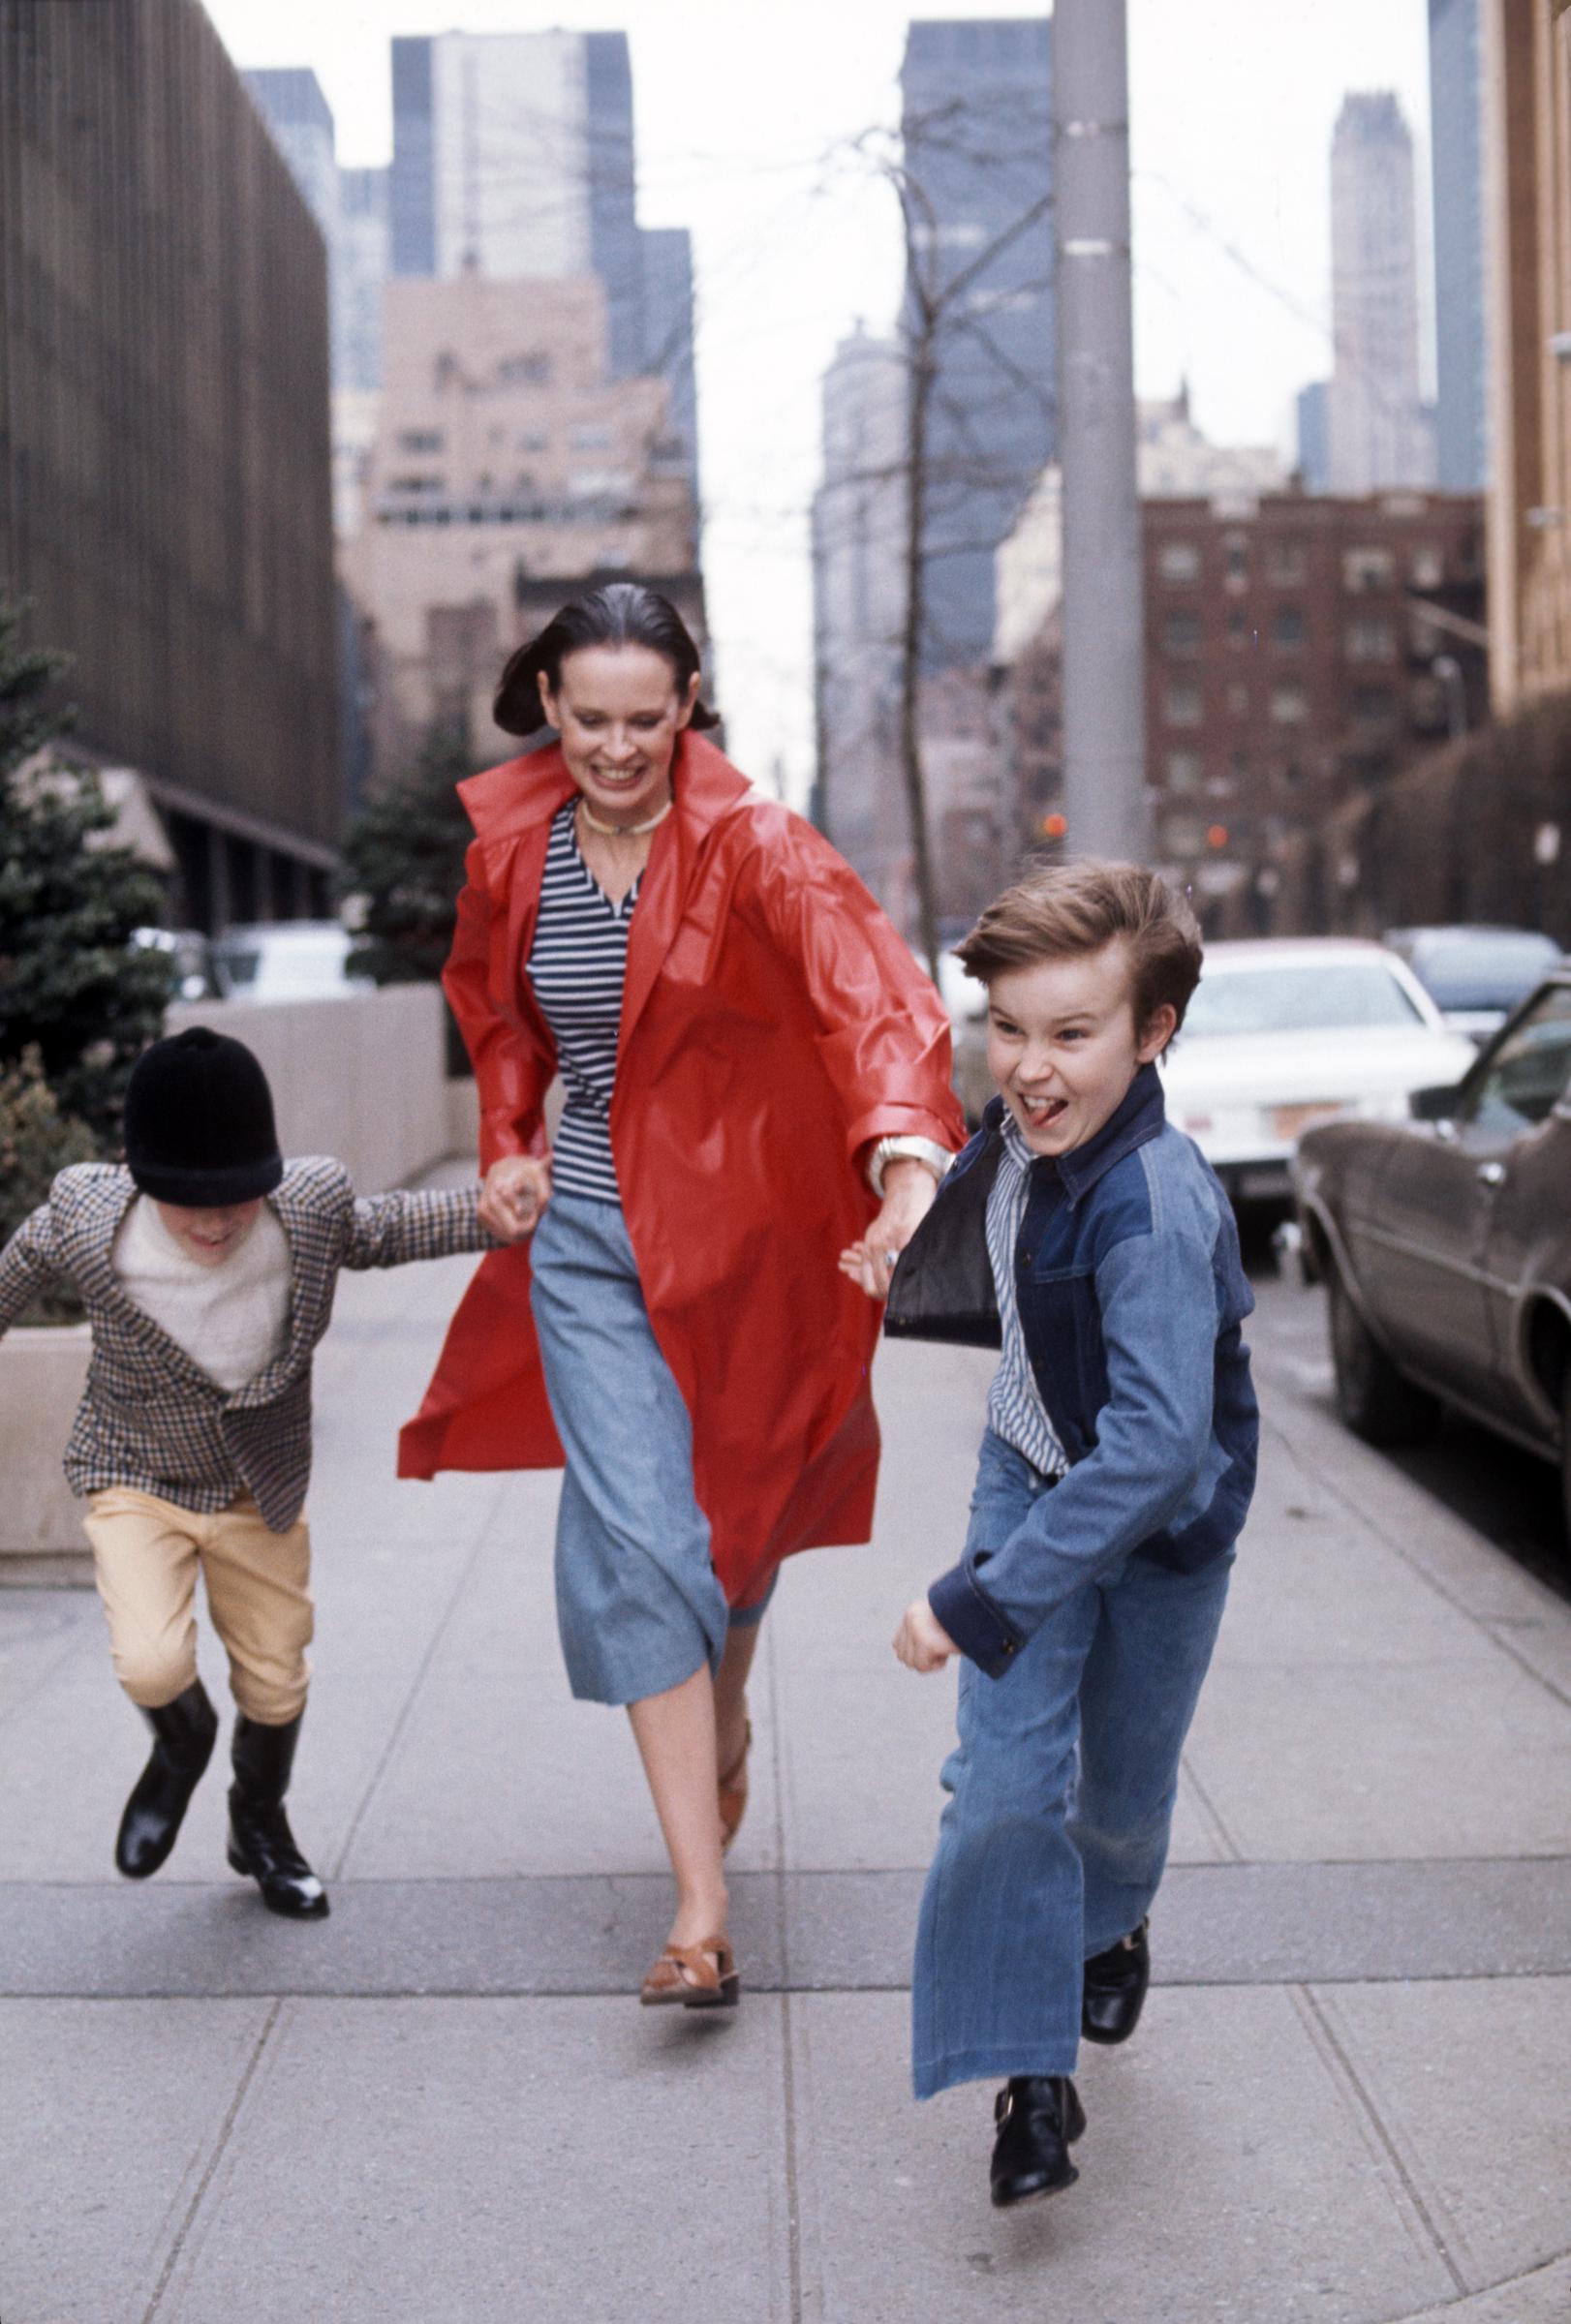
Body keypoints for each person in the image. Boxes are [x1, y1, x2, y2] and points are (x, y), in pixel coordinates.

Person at [400, 581, 964, 2009]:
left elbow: (871, 994)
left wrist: (902, 1161)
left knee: (740, 1529)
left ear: (690, 704)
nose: (615, 747)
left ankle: (719, 1709)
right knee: (640, 1533)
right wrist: (512, 1146)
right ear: (546, 704)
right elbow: (498, 1015)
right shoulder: (512, 855)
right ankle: (699, 1911)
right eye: (588, 719)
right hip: (589, 1239)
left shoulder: (756, 847)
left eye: (645, 719)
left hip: (747, 1241)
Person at [879, 861, 1258, 2208]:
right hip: (1029, 1470)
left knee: (1119, 1805)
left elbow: (1155, 1455)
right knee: (999, 1789)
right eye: (1009, 1028)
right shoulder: (1039, 1130)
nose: (1030, 1068)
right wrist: (901, 1223)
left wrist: (975, 1602)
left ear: (1152, 1034)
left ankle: (1111, 1919)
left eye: (1071, 1035)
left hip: (1157, 1532)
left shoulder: (1152, 1203)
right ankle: (1029, 2082)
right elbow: (981, 1175)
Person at [0, 1026, 507, 1918]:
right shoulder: (86, 1221)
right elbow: (12, 1273)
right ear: (137, 1171)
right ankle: (181, 1748)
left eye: (235, 1196)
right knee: (153, 1662)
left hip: (253, 1487)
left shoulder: (304, 1212)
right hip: (134, 1476)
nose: (214, 1222)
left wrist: (486, 1214)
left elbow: (384, 1229)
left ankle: (259, 1823)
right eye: (187, 1201)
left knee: (276, 1677)